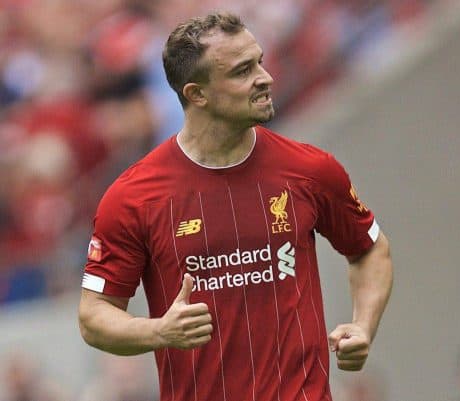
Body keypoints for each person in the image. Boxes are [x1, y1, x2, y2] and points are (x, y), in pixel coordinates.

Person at [78, 12, 393, 401]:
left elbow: (370, 249)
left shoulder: (310, 169)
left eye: (259, 61)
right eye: (243, 70)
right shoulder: (134, 197)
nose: (265, 77)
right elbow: (94, 317)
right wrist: (159, 331)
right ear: (197, 94)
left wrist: (364, 326)